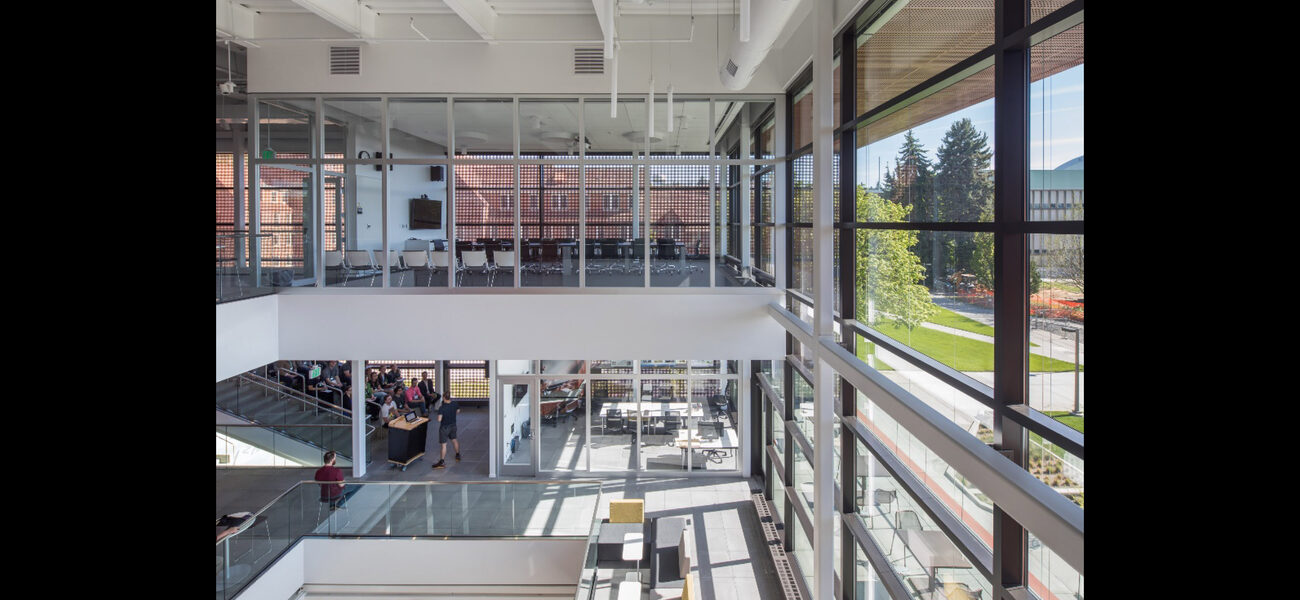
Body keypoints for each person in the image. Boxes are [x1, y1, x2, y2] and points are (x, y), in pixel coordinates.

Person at [430, 398, 461, 469]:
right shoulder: (455, 404)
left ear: (444, 398)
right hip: (453, 425)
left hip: (444, 428)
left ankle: (442, 462)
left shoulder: (442, 408)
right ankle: (457, 455)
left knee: (444, 445)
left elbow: (439, 419)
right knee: (454, 440)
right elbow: (458, 411)